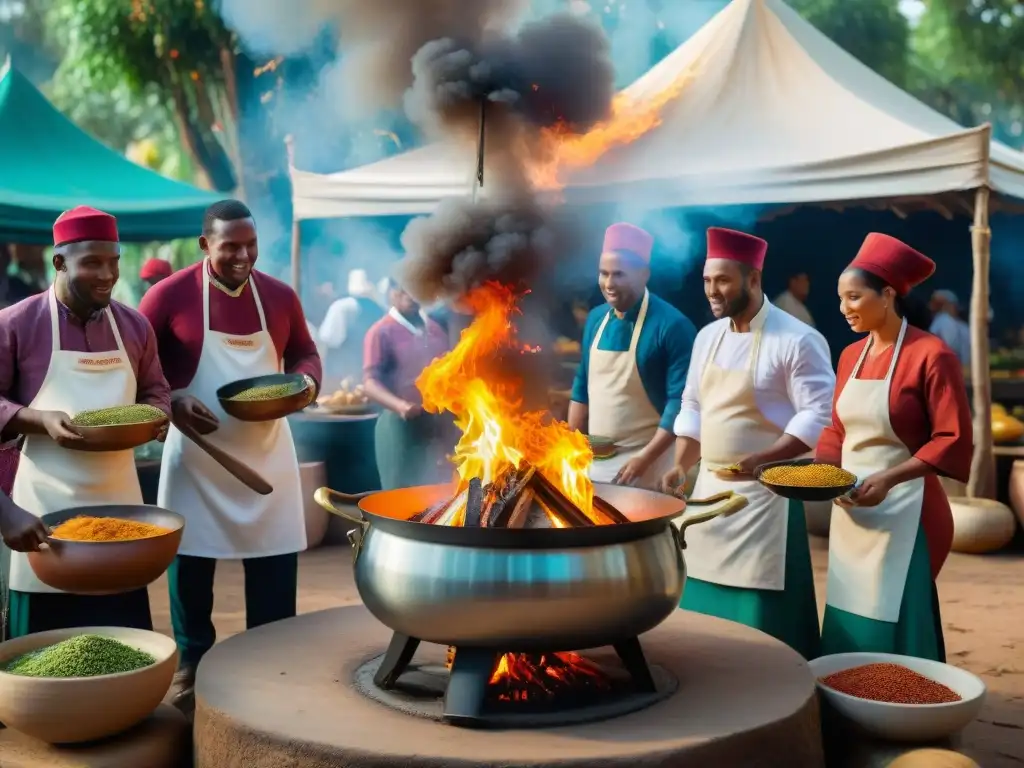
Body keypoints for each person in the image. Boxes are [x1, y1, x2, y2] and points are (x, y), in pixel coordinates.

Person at [138, 199, 322, 700]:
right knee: (191, 568)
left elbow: (305, 351)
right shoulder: (167, 297)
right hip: (197, 456)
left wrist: (307, 382)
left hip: (267, 453)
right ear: (203, 245)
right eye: (230, 247)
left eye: (251, 245)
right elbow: (135, 363)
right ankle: (193, 665)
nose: (243, 256)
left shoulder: (280, 297)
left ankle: (273, 660)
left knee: (275, 566)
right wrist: (170, 398)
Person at [661, 227, 834, 661]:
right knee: (699, 612)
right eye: (707, 280)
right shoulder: (707, 338)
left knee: (761, 630)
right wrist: (682, 464)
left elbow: (817, 413)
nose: (712, 291)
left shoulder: (798, 339)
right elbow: (692, 405)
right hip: (707, 499)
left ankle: (774, 687)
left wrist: (765, 458)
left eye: (722, 280)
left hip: (764, 501)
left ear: (753, 279)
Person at [0, 206, 171, 638]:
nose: (108, 274)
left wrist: (158, 416)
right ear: (59, 262)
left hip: (121, 508)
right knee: (44, 654)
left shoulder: (134, 326)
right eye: (92, 262)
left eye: (114, 261)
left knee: (122, 642)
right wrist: (37, 419)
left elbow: (156, 390)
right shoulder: (16, 325)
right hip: (42, 513)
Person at [817, 234, 972, 662]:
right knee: (851, 609)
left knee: (899, 616)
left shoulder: (932, 355)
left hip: (910, 510)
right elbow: (836, 430)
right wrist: (826, 478)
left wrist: (887, 478)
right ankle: (852, 703)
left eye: (854, 297)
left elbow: (952, 438)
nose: (844, 308)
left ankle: (904, 713)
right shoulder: (849, 354)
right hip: (852, 509)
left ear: (887, 294)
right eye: (840, 298)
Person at [568, 223, 696, 489]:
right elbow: (582, 387)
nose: (608, 284)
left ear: (643, 274)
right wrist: (571, 442)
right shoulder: (595, 319)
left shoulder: (672, 326)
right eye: (603, 274)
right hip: (595, 458)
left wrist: (645, 458)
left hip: (650, 461)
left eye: (619, 275)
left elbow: (679, 404)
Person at [363, 278, 452, 490]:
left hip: (436, 425)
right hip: (399, 428)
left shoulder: (435, 329)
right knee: (400, 493)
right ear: (392, 293)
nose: (411, 296)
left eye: (416, 290)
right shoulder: (380, 331)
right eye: (404, 291)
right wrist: (401, 406)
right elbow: (369, 383)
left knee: (437, 494)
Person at [318, 269, 386, 385]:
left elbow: (329, 339)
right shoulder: (379, 308)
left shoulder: (341, 307)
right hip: (371, 371)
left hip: (343, 371)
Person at [928, 289, 971, 368]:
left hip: (948, 368)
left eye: (937, 304)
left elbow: (950, 347)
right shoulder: (962, 326)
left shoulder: (943, 321)